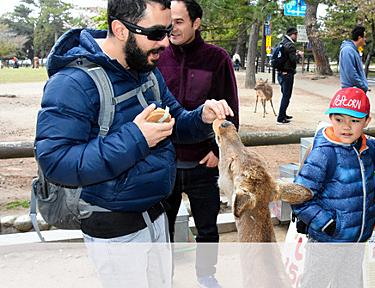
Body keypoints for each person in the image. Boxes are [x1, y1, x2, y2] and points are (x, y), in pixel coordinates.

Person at [34, 0, 233, 287]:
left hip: (156, 216)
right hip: (114, 229)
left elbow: (175, 121)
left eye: (167, 31)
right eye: (155, 33)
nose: (165, 43)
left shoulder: (146, 70)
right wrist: (136, 138)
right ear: (120, 29)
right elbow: (56, 162)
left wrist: (201, 117)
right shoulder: (72, 83)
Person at [291, 87, 375, 287]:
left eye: (354, 121)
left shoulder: (368, 149)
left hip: (356, 241)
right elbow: (299, 198)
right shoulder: (324, 154)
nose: (346, 127)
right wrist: (327, 224)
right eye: (339, 119)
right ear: (331, 118)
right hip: (326, 243)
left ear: (366, 121)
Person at [157, 0, 239, 287]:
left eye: (179, 21)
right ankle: (162, 277)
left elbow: (232, 114)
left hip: (203, 162)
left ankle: (207, 275)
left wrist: (219, 152)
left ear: (196, 23)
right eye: (169, 21)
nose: (172, 28)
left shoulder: (217, 59)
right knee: (160, 228)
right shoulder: (157, 56)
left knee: (207, 227)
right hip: (163, 160)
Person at [276, 27, 303, 124]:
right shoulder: (290, 45)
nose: (297, 37)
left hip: (280, 73)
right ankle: (280, 117)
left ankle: (283, 114)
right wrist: (299, 55)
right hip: (287, 74)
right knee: (286, 96)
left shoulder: (282, 42)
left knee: (284, 94)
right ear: (293, 34)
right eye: (296, 35)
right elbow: (293, 60)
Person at [339, 25, 368, 92]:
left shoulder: (354, 50)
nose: (365, 39)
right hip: (351, 91)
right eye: (364, 37)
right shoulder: (348, 50)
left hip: (356, 90)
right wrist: (363, 86)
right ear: (359, 37)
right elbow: (351, 73)